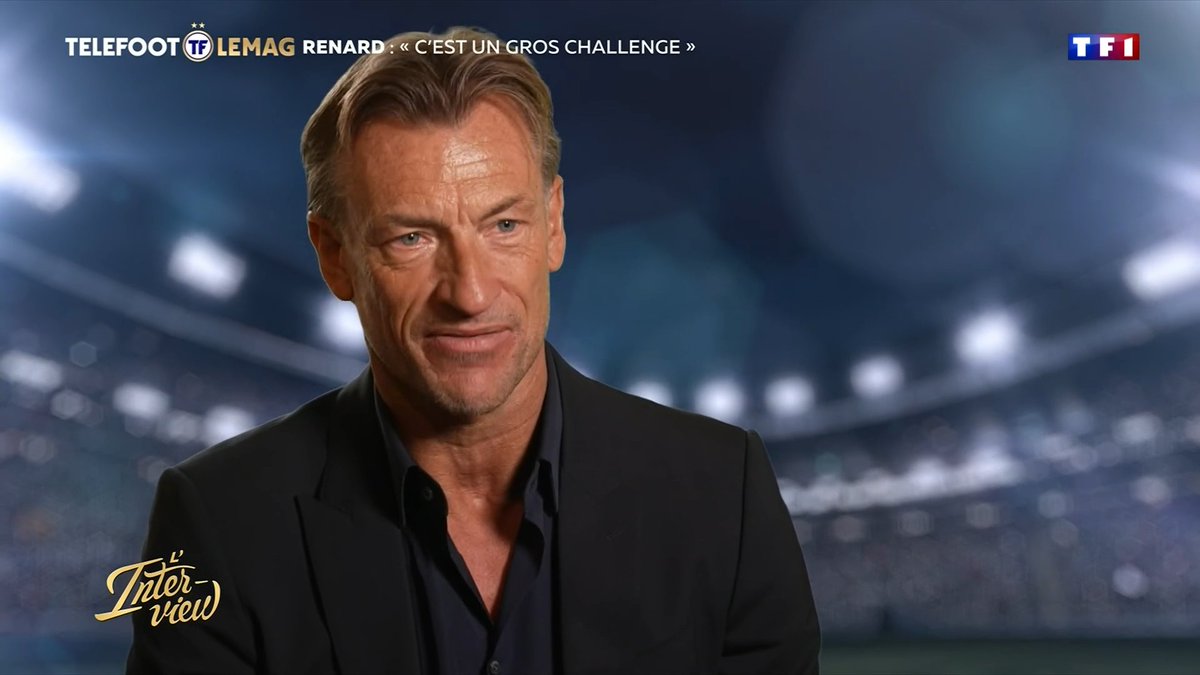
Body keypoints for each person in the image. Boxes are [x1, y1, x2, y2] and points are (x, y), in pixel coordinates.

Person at [126, 26, 820, 675]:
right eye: (411, 238)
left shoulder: (723, 491)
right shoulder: (218, 520)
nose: (470, 292)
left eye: (504, 225)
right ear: (334, 256)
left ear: (554, 224)